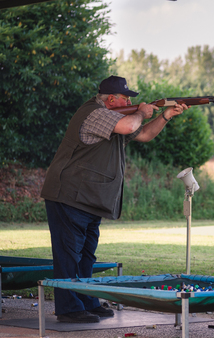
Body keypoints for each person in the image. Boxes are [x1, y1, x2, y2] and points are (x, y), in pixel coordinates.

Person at [40, 75, 188, 323]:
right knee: (68, 256)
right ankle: (68, 308)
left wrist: (165, 115)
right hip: (69, 196)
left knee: (86, 255)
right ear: (111, 99)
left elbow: (143, 135)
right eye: (126, 98)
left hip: (88, 198)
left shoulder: (115, 118)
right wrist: (141, 112)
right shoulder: (95, 114)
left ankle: (86, 300)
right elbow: (132, 126)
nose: (130, 101)